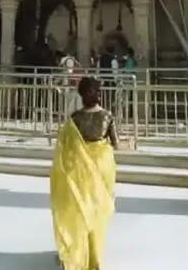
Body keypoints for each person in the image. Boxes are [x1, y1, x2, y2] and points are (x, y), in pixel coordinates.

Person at [50, 77, 118, 270]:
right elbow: (115, 144)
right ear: (99, 94)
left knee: (80, 213)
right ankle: (94, 260)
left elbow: (66, 148)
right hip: (101, 169)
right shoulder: (107, 116)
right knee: (96, 215)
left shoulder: (74, 119)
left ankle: (76, 255)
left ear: (81, 96)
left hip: (78, 172)